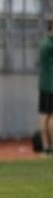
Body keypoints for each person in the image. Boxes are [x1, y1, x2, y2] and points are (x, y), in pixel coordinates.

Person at [39, 19, 53, 157]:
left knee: (44, 116)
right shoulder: (50, 44)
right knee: (51, 117)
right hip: (51, 85)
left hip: (44, 84)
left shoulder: (43, 43)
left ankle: (45, 148)